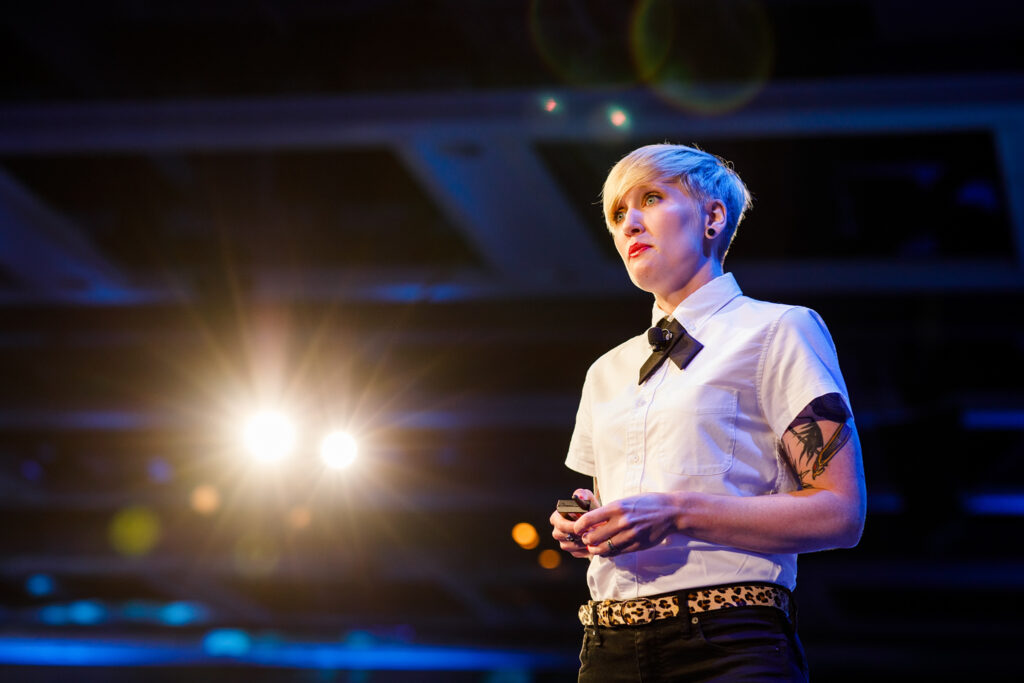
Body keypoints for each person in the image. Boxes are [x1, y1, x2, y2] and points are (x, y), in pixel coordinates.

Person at [548, 143, 866, 682]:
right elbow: (621, 507)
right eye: (618, 213)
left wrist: (675, 511)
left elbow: (841, 512)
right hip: (606, 649)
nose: (630, 223)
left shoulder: (777, 330)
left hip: (729, 641)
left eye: (650, 198)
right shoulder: (606, 370)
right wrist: (589, 523)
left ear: (713, 217)